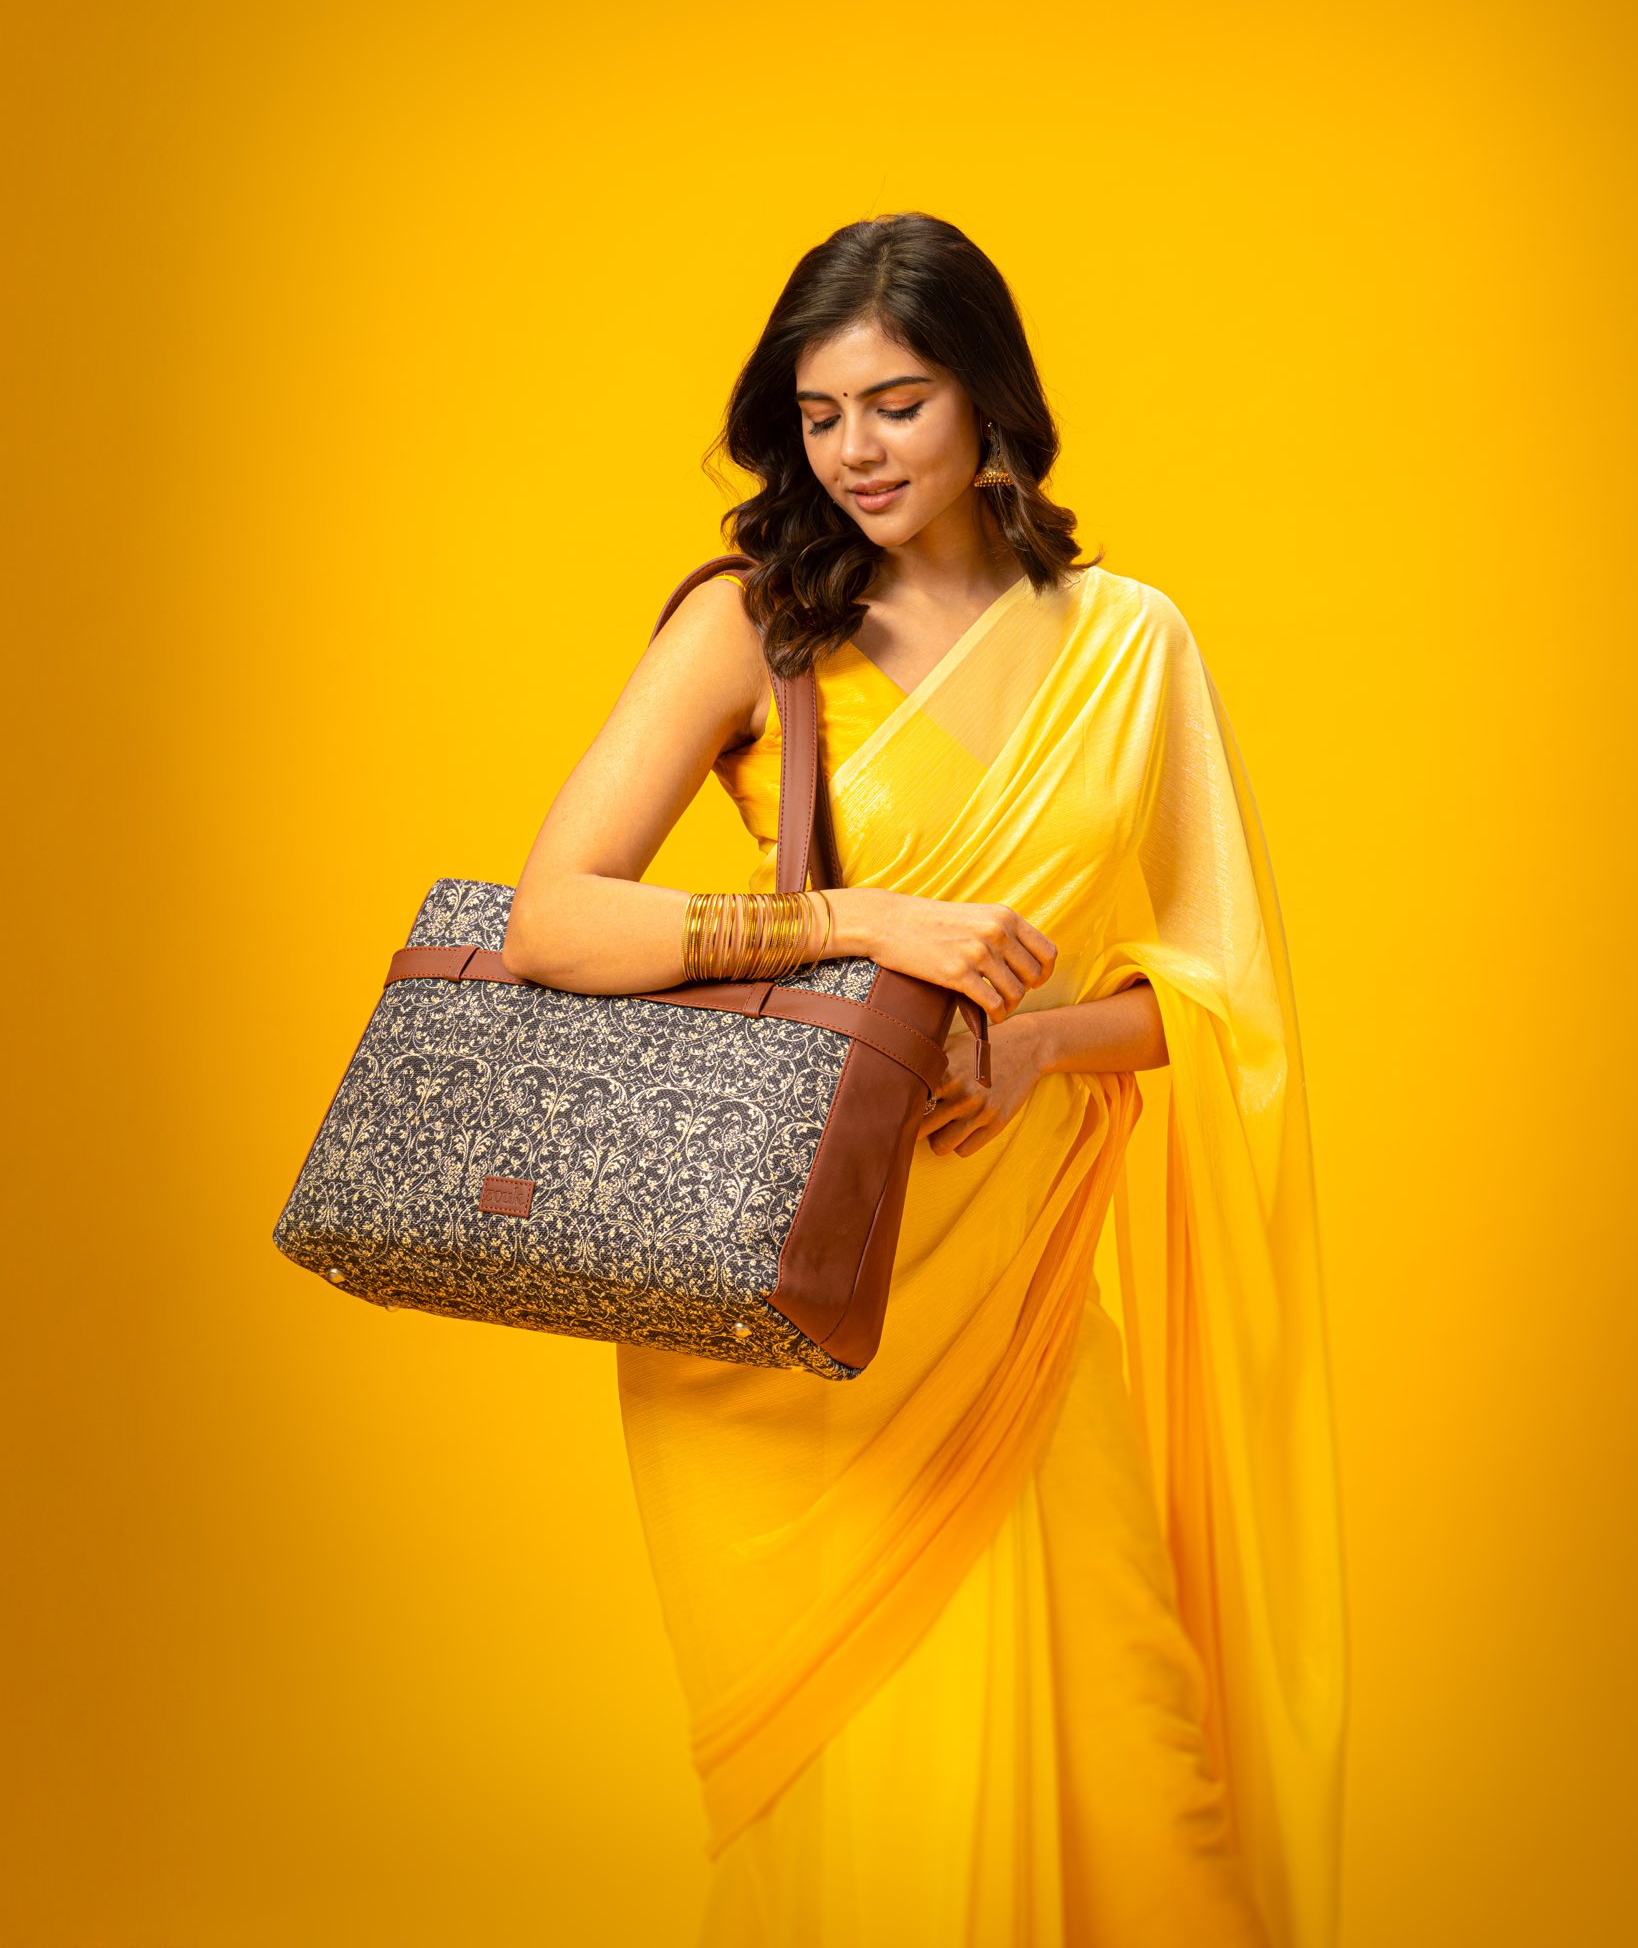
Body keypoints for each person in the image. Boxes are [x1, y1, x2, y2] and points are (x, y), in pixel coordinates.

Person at [502, 212, 1348, 1947]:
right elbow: (551, 920)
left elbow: (1219, 997)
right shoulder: (753, 624)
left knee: (1141, 1795)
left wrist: (1035, 1046)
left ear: (986, 402)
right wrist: (851, 916)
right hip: (796, 1304)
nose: (857, 452)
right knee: (866, 1817)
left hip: (1015, 1286)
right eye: (820, 416)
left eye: (896, 404)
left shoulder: (1129, 645)